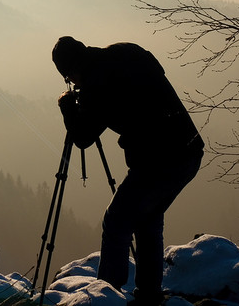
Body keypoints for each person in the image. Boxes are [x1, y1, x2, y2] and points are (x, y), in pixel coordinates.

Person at [51, 36, 204, 305]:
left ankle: (106, 297)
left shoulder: (95, 84)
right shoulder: (125, 52)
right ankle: (149, 296)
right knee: (147, 219)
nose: (73, 84)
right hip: (188, 149)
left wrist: (67, 106)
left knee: (117, 222)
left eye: (70, 79)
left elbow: (83, 136)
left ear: (71, 71)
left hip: (158, 160)